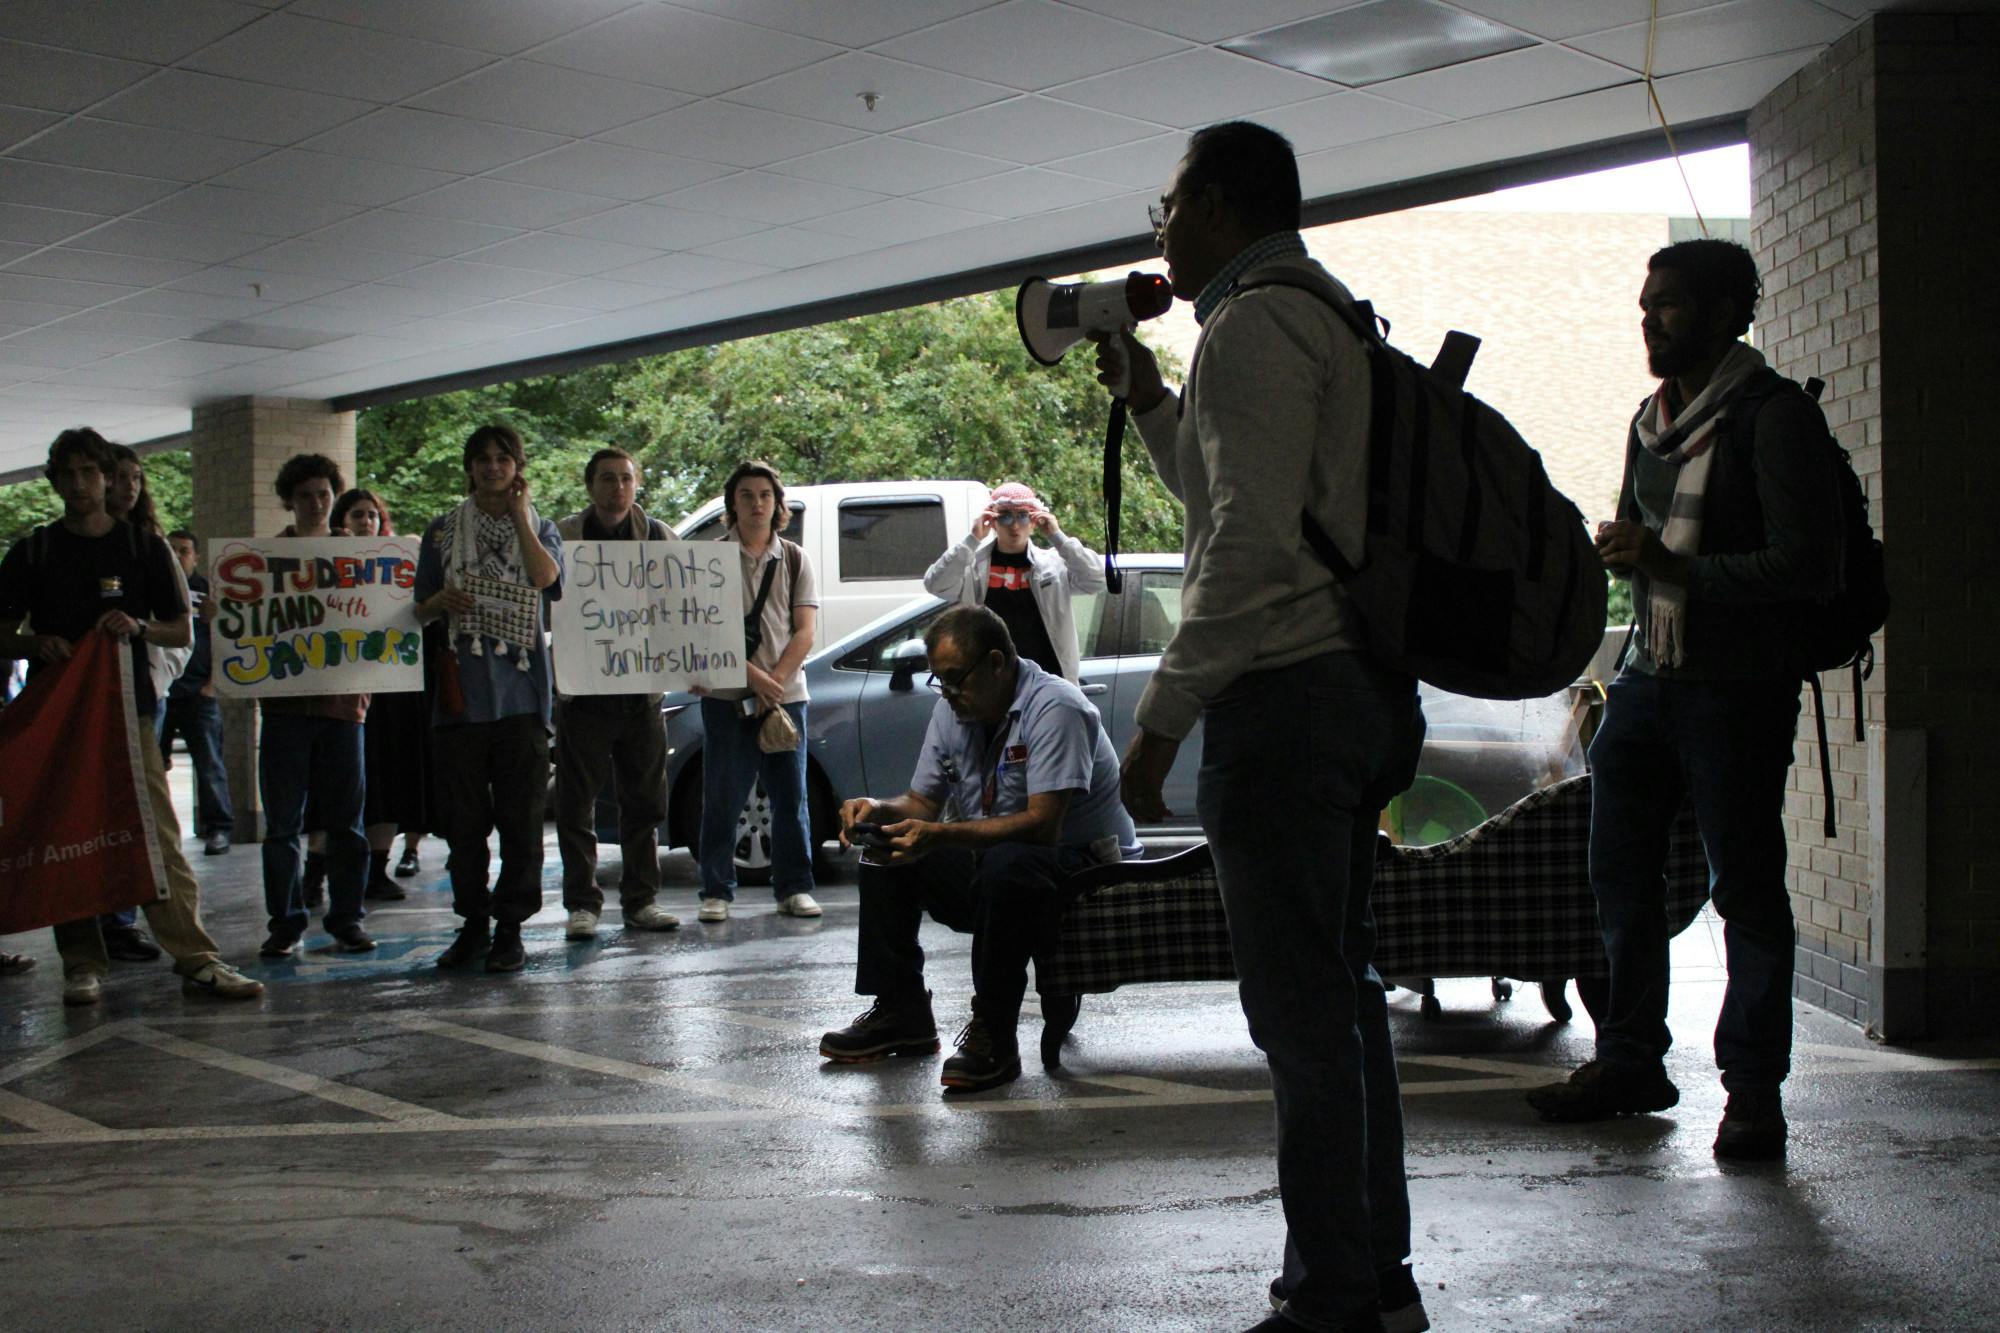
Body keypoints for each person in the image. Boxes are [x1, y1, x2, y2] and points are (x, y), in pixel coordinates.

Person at [1095, 122, 1429, 1333]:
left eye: (1169, 202)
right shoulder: (1322, 312)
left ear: (1218, 206)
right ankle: (1373, 1278)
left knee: (1301, 1017)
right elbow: (1231, 495)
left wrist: (1158, 722)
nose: (1158, 226)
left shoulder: (1251, 322)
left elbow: (1241, 545)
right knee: (1339, 998)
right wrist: (1148, 401)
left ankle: (1334, 1293)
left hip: (1285, 706)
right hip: (1352, 690)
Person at [1525, 239, 1840, 1162]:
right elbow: (1644, 545)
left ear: (1724, 312)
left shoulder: (1772, 418)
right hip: (1650, 677)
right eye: (1645, 303)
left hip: (1737, 689)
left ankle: (1754, 1095)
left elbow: (1808, 567)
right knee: (1618, 877)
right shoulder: (1649, 422)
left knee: (1746, 891)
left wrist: (1671, 564)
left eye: (1667, 303)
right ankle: (1630, 1060)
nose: (1648, 319)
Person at [818, 605, 1139, 1091]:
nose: (946, 693)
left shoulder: (1057, 708)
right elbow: (922, 802)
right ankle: (902, 1009)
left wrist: (941, 835)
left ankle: (994, 1033)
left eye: (954, 680)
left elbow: (1043, 826)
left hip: (1084, 868)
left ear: (995, 663)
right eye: (939, 682)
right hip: (1000, 858)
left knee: (1007, 864)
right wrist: (877, 810)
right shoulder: (953, 710)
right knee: (886, 852)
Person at [0, 427, 263, 1006]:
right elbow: (2, 632)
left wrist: (138, 627)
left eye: (89, 473)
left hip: (129, 714)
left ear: (106, 478)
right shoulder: (33, 552)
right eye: (68, 474)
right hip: (59, 721)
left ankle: (195, 956)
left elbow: (181, 629)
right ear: (53, 481)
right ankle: (82, 962)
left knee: (156, 834)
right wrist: (35, 644)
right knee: (69, 834)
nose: (79, 484)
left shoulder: (143, 549)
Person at [413, 423, 563, 973]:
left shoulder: (541, 527)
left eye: (503, 458)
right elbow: (417, 607)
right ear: (470, 468)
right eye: (483, 459)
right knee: (465, 827)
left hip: (522, 702)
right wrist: (440, 603)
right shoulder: (441, 532)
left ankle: (510, 929)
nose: (493, 467)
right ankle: (473, 923)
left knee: (522, 825)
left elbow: (545, 578)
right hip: (460, 702)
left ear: (517, 467)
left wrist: (520, 516)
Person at [553, 447, 682, 940]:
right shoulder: (564, 537)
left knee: (645, 804)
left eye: (626, 479)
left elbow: (689, 604)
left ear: (637, 484)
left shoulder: (658, 536)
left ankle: (642, 901)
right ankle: (582, 904)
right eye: (608, 479)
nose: (618, 488)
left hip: (641, 695)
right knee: (575, 806)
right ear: (590, 486)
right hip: (583, 695)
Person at [256, 455, 374, 958]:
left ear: (334, 496)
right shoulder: (264, 560)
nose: (316, 503)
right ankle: (285, 923)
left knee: (347, 824)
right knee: (283, 825)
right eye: (305, 495)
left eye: (324, 494)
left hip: (343, 707)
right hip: (284, 709)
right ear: (290, 500)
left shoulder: (361, 557)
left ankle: (347, 918)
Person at [694, 460, 820, 923]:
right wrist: (754, 678)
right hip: (727, 696)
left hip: (787, 699)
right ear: (732, 503)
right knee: (722, 798)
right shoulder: (709, 560)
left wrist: (774, 682)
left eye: (765, 494)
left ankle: (794, 888)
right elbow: (704, 630)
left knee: (791, 798)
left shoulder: (795, 558)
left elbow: (804, 631)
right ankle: (716, 891)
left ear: (777, 503)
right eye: (746, 495)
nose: (756, 503)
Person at [331, 487, 430, 902]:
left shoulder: (399, 559)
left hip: (393, 690)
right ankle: (324, 869)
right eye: (357, 515)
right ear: (342, 520)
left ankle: (378, 866)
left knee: (389, 779)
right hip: (346, 691)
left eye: (372, 515)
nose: (366, 522)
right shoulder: (326, 560)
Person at [922, 482, 1105, 683]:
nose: (1015, 525)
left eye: (1023, 516)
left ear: (1034, 522)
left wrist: (1058, 537)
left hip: (1048, 679)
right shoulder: (973, 567)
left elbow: (1096, 579)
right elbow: (935, 584)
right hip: (990, 680)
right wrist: (972, 540)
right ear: (993, 522)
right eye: (1005, 516)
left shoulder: (1054, 565)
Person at [159, 528, 235, 856]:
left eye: (184, 550)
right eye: (172, 550)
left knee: (209, 763)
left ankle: (218, 828)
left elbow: (227, 639)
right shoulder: (156, 589)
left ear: (196, 556)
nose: (178, 556)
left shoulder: (208, 593)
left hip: (198, 692)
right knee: (153, 766)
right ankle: (160, 832)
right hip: (161, 691)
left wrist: (212, 685)